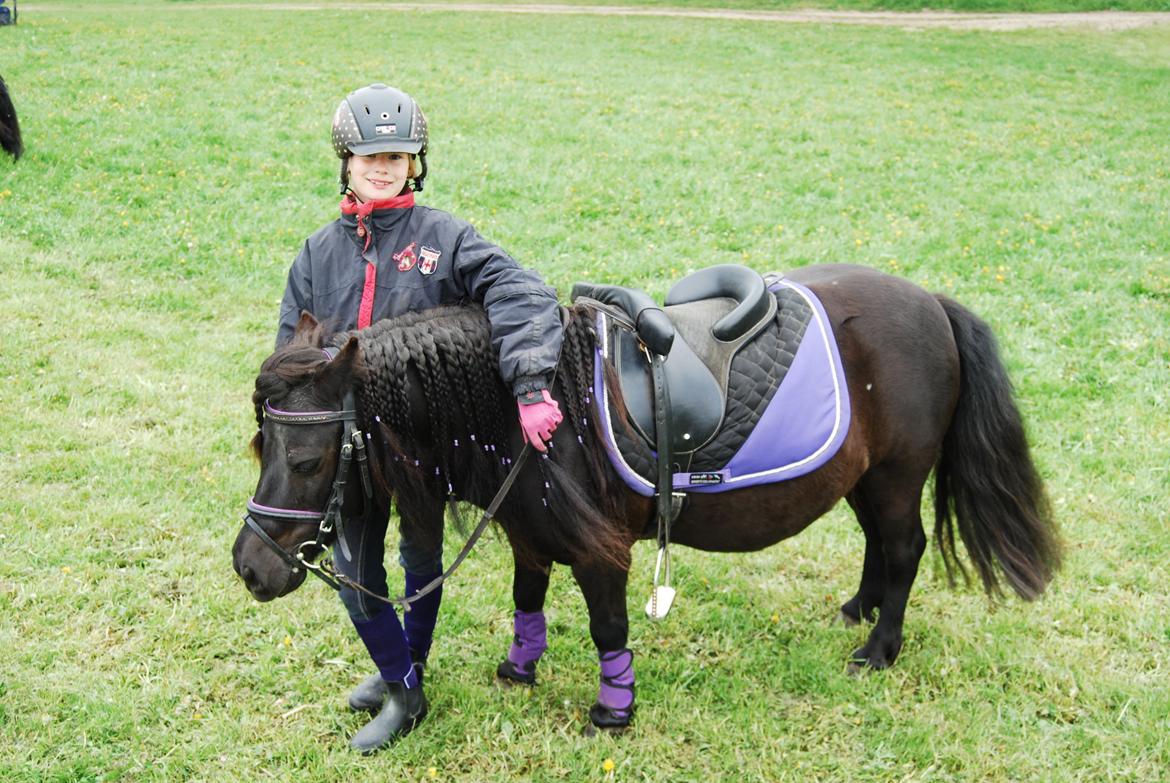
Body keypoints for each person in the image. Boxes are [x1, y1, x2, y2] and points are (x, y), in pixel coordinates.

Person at [275, 83, 564, 753]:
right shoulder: (317, 254)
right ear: (344, 160)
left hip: (424, 445)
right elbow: (291, 353)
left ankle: (410, 671)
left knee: (421, 556)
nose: (383, 167)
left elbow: (521, 290)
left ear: (417, 162)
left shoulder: (444, 238)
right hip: (348, 450)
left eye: (398, 156)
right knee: (355, 567)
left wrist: (529, 383)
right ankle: (401, 681)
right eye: (369, 156)